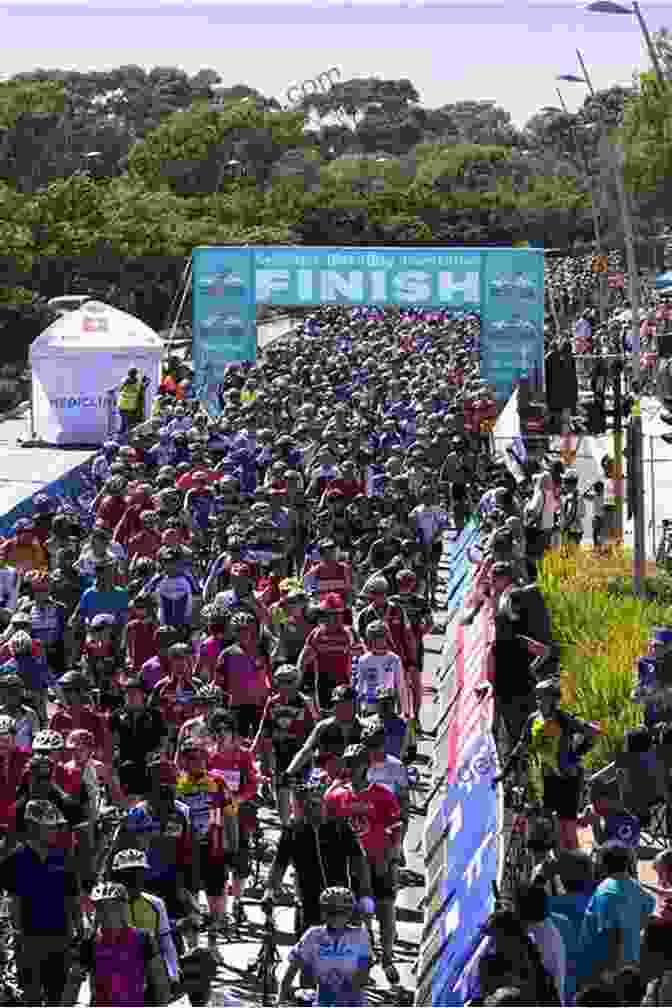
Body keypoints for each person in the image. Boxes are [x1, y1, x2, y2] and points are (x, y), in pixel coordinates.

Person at [497, 678, 599, 850]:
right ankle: (557, 865)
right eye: (537, 697)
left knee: (568, 830)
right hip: (546, 779)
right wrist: (505, 772)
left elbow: (593, 732)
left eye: (543, 697)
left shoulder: (564, 719)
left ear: (553, 700)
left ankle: (577, 866)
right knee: (548, 827)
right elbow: (522, 746)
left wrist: (577, 753)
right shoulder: (533, 719)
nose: (539, 701)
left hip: (568, 780)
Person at [263, 778, 373, 938]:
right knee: (307, 953)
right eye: (305, 805)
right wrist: (270, 890)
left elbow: (359, 862)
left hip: (340, 900)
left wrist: (364, 894)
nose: (311, 809)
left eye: (316, 804)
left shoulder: (340, 827)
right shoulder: (292, 831)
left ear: (324, 805)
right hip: (308, 901)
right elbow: (279, 864)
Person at [0, 798, 81, 1005]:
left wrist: (78, 925)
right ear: (31, 826)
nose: (54, 832)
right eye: (49, 827)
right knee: (32, 998)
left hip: (60, 938)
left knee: (58, 996)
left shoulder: (64, 858)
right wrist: (18, 936)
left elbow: (72, 897)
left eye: (55, 827)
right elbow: (12, 900)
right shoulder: (16, 859)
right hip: (29, 940)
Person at [62, 881, 171, 1006]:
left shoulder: (144, 938)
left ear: (122, 909)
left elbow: (159, 981)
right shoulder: (89, 943)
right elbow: (73, 982)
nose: (105, 913)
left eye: (111, 907)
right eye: (100, 908)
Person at [276, 886, 372, 1007]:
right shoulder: (312, 935)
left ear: (350, 913)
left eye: (342, 912)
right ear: (323, 912)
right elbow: (292, 970)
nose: (337, 917)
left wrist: (342, 997)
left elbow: (363, 975)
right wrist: (280, 999)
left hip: (352, 1000)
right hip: (322, 999)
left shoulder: (360, 935)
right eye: (332, 912)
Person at [577, 845, 654, 989]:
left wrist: (609, 972)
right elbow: (648, 908)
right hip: (631, 962)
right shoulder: (637, 887)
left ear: (603, 865)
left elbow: (611, 933)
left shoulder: (605, 892)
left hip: (608, 969)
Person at [117, 368, 151, 438]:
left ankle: (124, 438)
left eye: (134, 374)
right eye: (131, 374)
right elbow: (123, 385)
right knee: (126, 425)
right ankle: (121, 438)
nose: (132, 376)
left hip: (131, 408)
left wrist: (146, 381)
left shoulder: (138, 383)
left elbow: (143, 387)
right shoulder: (126, 381)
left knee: (128, 425)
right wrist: (145, 381)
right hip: (124, 407)